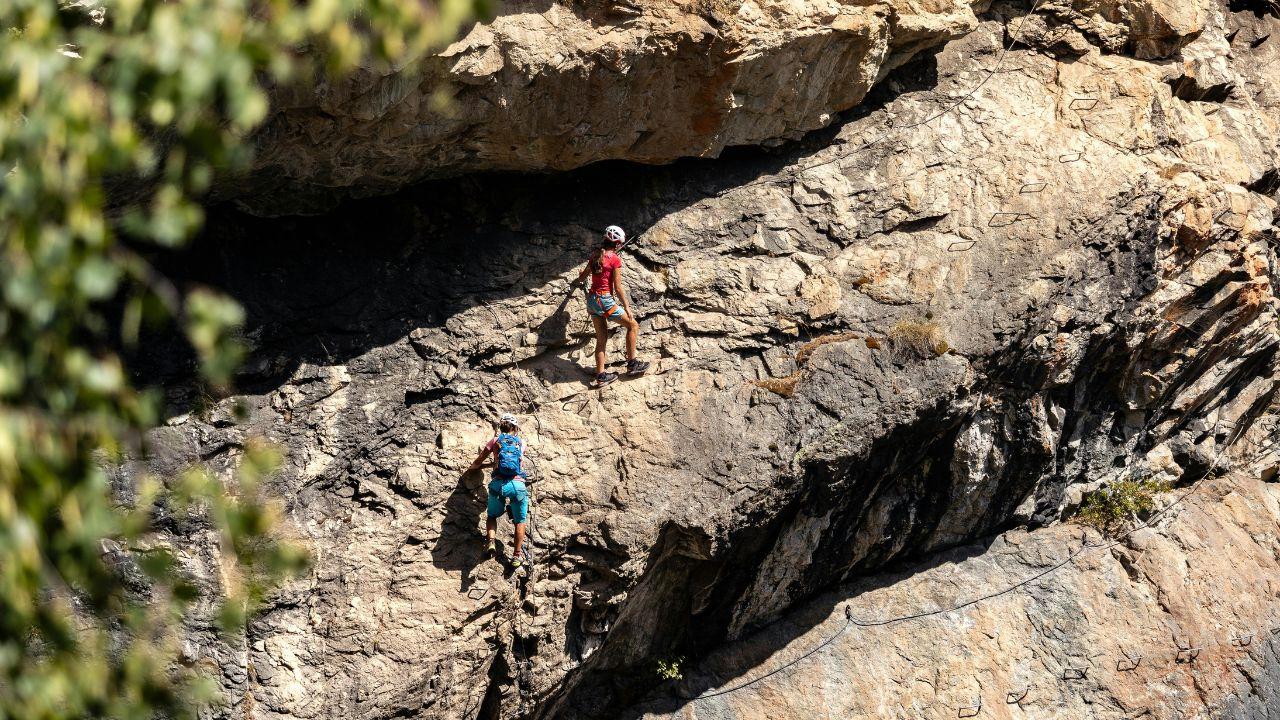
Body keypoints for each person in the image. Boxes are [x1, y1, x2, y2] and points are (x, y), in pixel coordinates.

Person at [575, 225, 649, 386]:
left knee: (602, 339)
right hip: (604, 300)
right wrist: (627, 307)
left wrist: (580, 277)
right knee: (633, 325)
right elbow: (618, 287)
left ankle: (601, 375)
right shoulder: (614, 259)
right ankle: (632, 364)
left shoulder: (595, 255)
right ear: (617, 244)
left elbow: (582, 277)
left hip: (592, 301)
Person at [467, 413, 530, 571]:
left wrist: (473, 467)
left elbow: (480, 459)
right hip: (517, 486)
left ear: (500, 426)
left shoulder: (495, 441)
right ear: (515, 428)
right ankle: (516, 556)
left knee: (492, 515)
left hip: (498, 485)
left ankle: (491, 542)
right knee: (519, 521)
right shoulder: (521, 443)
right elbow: (517, 460)